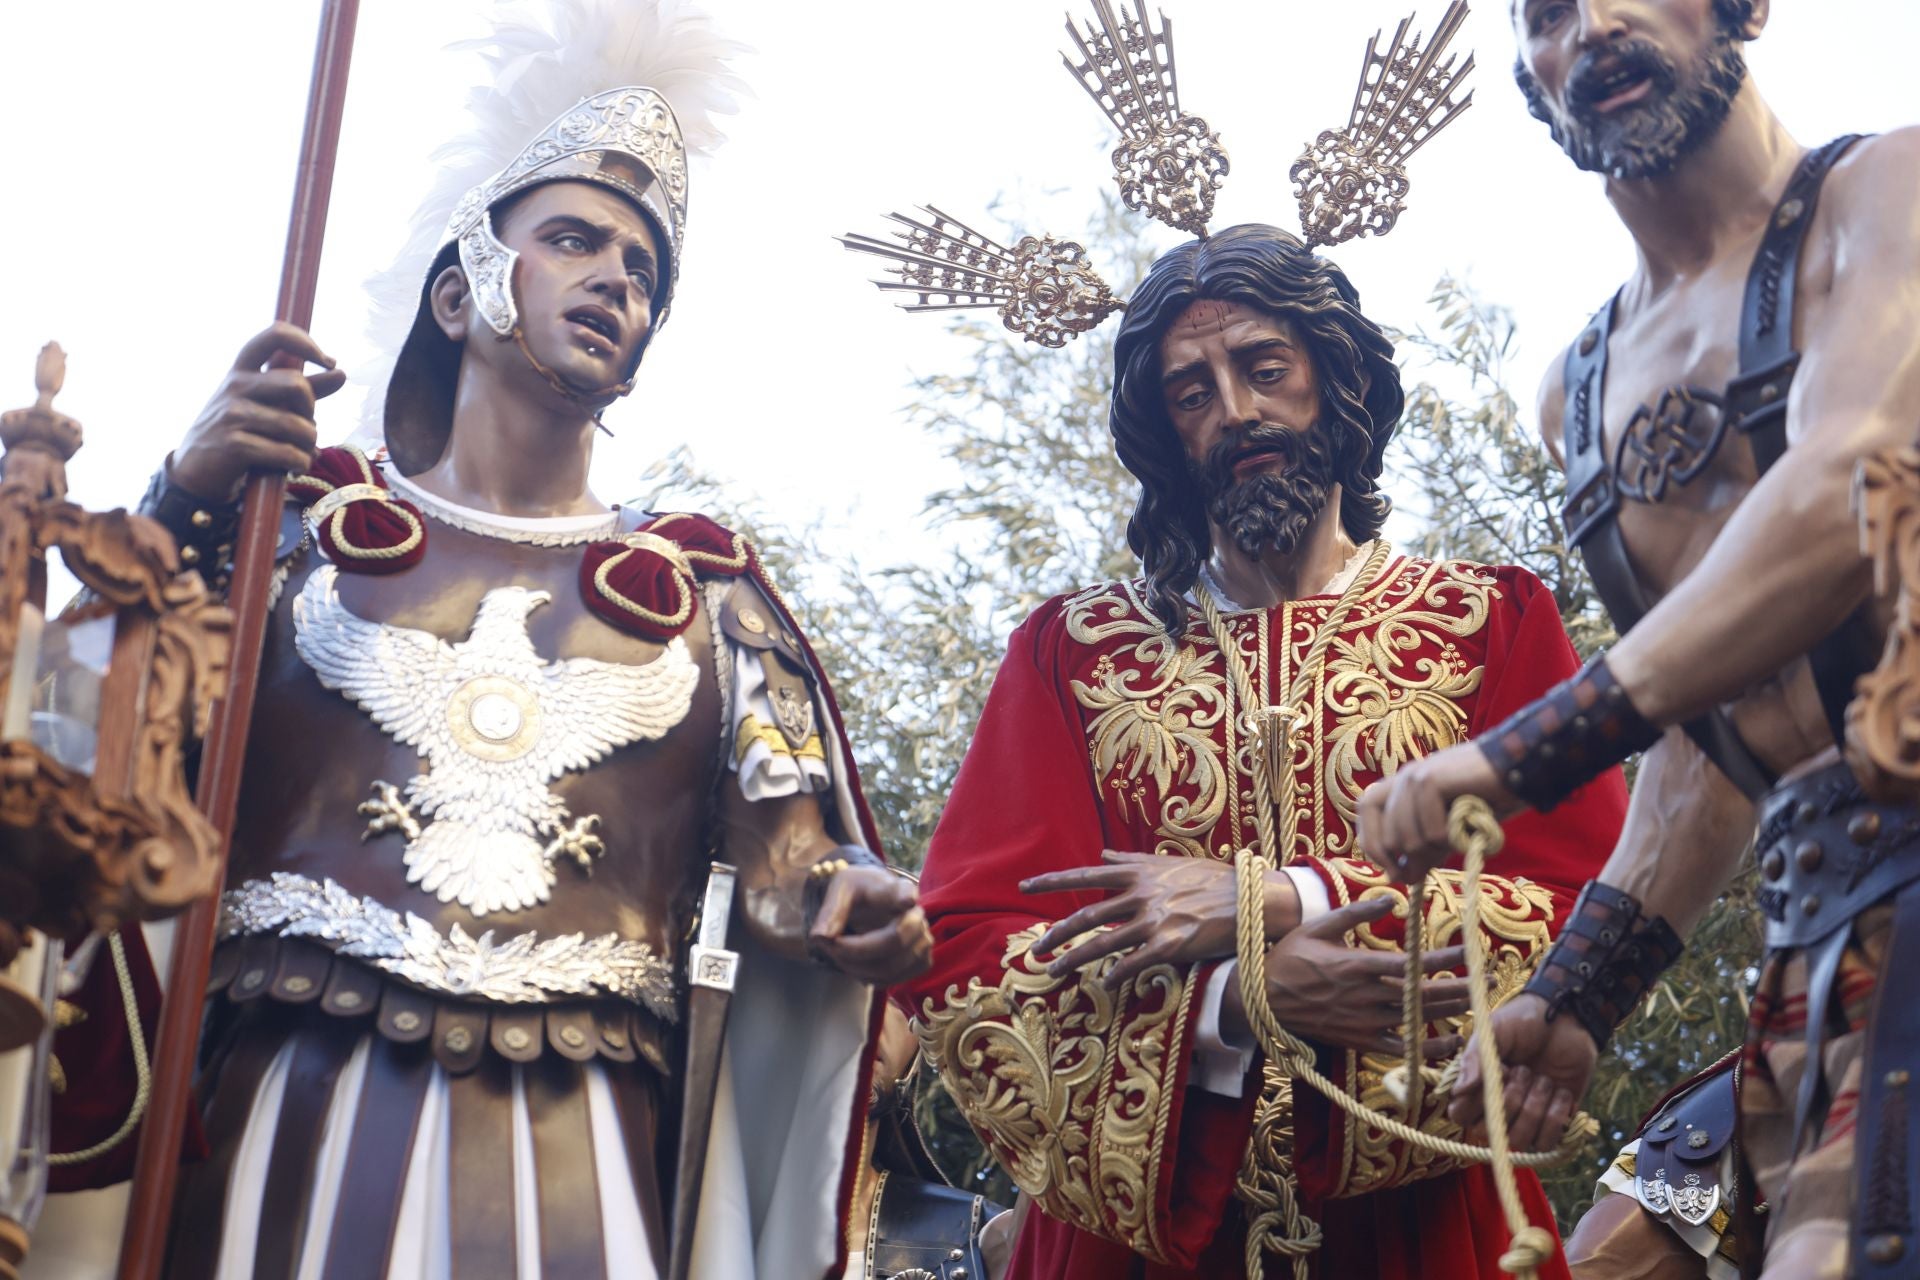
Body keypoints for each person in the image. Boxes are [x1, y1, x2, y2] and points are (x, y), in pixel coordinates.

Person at [33, 4, 933, 1277]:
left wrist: (856, 899)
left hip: (580, 1140)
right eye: (573, 240)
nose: (616, 278)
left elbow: (794, 857)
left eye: (643, 270)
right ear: (458, 292)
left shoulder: (706, 595)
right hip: (282, 1101)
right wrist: (184, 496)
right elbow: (72, 744)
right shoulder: (297, 535)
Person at [898, 222, 1628, 1279]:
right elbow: (968, 950)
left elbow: (1583, 901)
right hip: (1134, 1250)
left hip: (1421, 1234)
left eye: (1264, 367)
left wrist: (1284, 897)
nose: (1236, 409)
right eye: (1191, 391)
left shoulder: (1486, 624)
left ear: (1332, 376)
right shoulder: (1076, 653)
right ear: (1165, 431)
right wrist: (1238, 1001)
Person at [1355, 2, 1920, 1276]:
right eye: (1548, 13)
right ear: (1530, 75)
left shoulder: (1892, 191)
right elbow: (1711, 729)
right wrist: (1574, 991)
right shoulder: (1582, 390)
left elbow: (1849, 485)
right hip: (1824, 941)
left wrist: (1518, 755)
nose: (1595, 25)